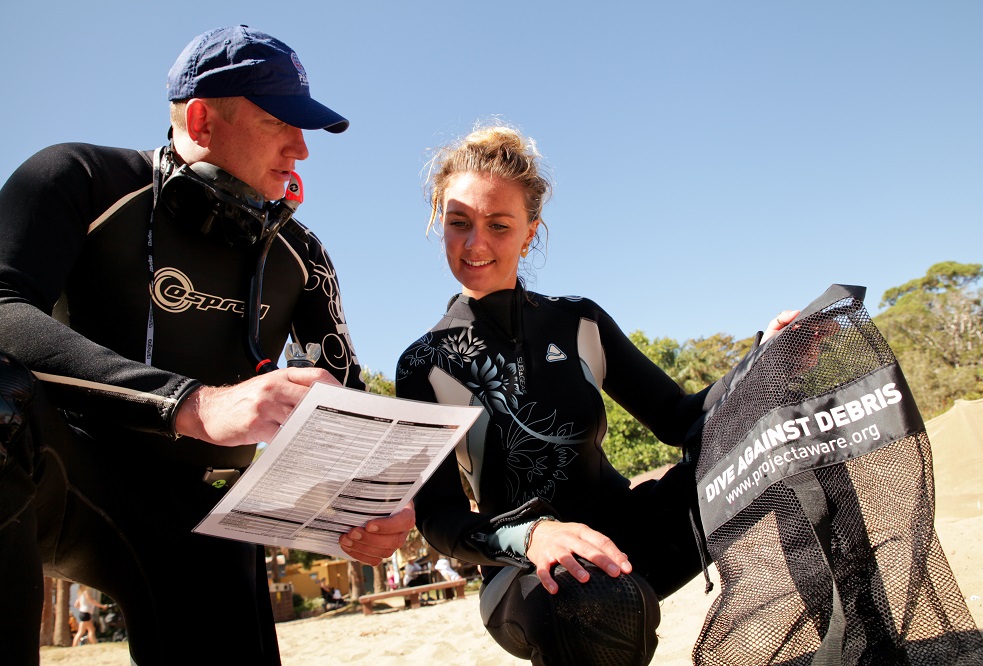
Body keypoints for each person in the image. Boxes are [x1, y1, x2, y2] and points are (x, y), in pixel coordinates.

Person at [0, 26, 413, 665]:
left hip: (210, 512)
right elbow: (2, 308)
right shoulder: (80, 176)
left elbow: (344, 402)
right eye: (281, 122)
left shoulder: (301, 254)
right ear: (201, 119)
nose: (301, 148)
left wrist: (375, 502)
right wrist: (192, 403)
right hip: (75, 476)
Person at [395, 123, 797, 665]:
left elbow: (681, 419)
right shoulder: (425, 363)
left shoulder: (578, 321)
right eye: (459, 222)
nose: (476, 243)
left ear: (530, 230)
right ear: (438, 223)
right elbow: (439, 519)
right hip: (523, 572)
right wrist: (532, 536)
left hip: (631, 533)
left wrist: (767, 358)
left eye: (499, 224)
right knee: (588, 598)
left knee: (781, 450)